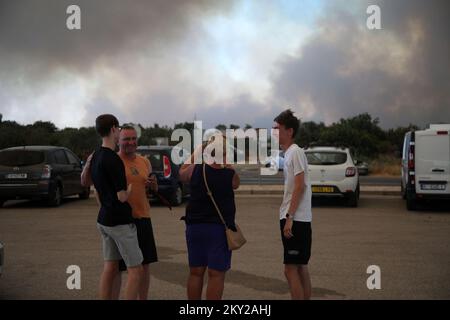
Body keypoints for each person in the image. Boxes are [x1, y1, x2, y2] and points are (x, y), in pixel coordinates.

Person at [81, 124, 158, 300]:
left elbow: (152, 189)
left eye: (133, 139)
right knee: (117, 268)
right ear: (118, 140)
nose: (131, 142)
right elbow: (96, 189)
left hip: (143, 217)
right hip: (122, 221)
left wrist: (153, 185)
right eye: (126, 139)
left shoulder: (144, 161)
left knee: (144, 267)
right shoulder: (112, 160)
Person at [179, 135, 240, 300]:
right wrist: (226, 160)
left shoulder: (195, 170)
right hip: (218, 229)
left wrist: (198, 150)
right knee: (216, 274)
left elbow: (181, 172)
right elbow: (236, 184)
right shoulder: (229, 174)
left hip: (194, 227)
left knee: (196, 273)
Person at [88, 114, 143, 300]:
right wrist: (128, 190)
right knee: (136, 270)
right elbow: (121, 197)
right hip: (119, 222)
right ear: (113, 129)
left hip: (103, 219)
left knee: (110, 268)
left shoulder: (95, 156)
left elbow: (96, 190)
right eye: (118, 129)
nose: (119, 132)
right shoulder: (114, 160)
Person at [273, 109, 313, 300]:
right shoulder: (289, 153)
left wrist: (290, 217)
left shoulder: (295, 152)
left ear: (289, 131)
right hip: (297, 219)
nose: (274, 132)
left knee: (290, 270)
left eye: (277, 128)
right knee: (300, 267)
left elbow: (300, 186)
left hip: (295, 220)